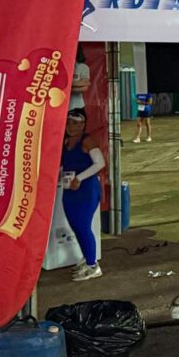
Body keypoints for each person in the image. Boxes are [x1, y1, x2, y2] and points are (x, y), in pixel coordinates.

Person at [61, 108, 105, 281]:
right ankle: (87, 257)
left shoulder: (87, 140)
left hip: (86, 190)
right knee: (77, 226)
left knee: (83, 226)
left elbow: (100, 163)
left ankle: (93, 266)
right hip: (69, 190)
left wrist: (80, 178)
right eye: (68, 122)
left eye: (75, 123)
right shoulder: (65, 141)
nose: (70, 126)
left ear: (83, 124)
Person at [70, 44, 90, 112]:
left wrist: (66, 87)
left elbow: (84, 87)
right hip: (59, 106)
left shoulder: (83, 67)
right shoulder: (58, 66)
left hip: (77, 106)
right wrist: (77, 84)